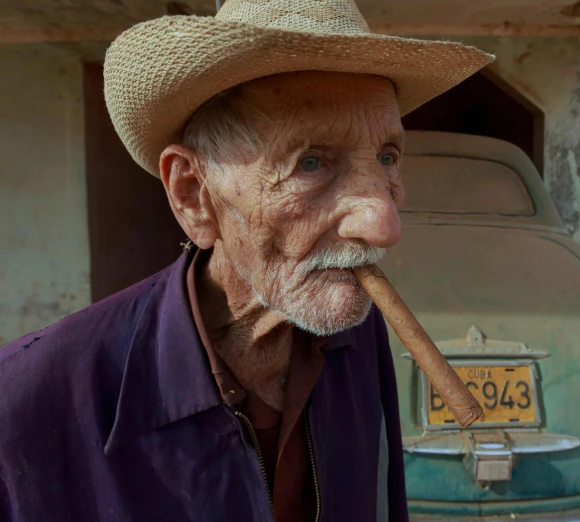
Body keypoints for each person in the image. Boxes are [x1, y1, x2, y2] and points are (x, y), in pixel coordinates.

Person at [0, 0, 492, 520]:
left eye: (387, 157)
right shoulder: (26, 408)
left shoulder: (357, 336)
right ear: (193, 194)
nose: (384, 224)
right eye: (311, 162)